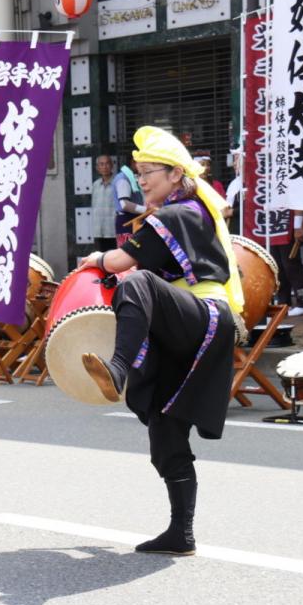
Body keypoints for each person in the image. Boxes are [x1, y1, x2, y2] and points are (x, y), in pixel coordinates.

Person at [78, 126, 244, 556]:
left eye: (149, 171)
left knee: (138, 283)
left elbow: (118, 261)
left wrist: (94, 259)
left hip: (203, 318)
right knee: (164, 428)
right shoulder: (186, 212)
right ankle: (180, 533)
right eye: (138, 172)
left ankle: (117, 368)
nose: (142, 179)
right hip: (192, 326)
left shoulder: (177, 213)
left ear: (175, 175)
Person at [113, 161, 145, 246]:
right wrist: (147, 210)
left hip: (132, 220)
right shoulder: (123, 178)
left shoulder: (131, 177)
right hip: (127, 221)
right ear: (133, 162)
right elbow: (125, 204)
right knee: (128, 252)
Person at [91, 155, 117, 249]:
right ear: (97, 168)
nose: (104, 167)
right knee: (101, 258)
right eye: (101, 164)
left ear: (112, 166)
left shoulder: (118, 182)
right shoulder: (95, 185)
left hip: (113, 230)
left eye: (107, 164)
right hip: (99, 230)